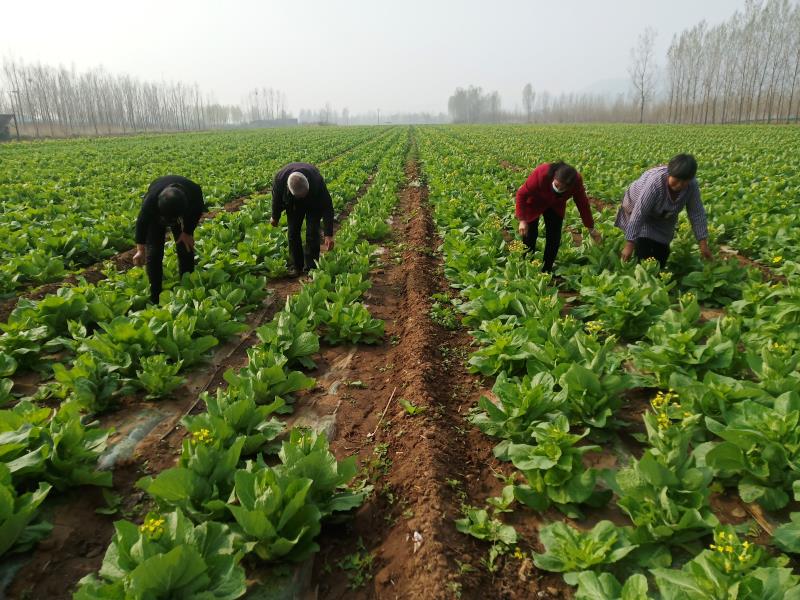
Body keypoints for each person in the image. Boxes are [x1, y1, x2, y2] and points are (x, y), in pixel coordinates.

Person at [615, 153, 712, 267]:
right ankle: (639, 276)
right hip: (637, 205)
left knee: (662, 251)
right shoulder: (655, 182)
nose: (680, 184)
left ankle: (656, 276)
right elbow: (639, 213)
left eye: (684, 181)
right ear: (669, 173)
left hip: (664, 215)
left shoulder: (691, 186)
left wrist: (703, 244)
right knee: (644, 247)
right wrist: (629, 244)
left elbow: (697, 213)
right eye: (677, 179)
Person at [515, 161, 601, 272]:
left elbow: (583, 204)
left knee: (554, 237)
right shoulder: (542, 173)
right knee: (529, 233)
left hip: (556, 204)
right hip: (535, 201)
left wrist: (591, 228)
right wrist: (522, 220)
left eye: (563, 188)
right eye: (556, 185)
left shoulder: (576, 181)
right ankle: (526, 265)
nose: (558, 189)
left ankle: (546, 270)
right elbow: (521, 194)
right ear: (553, 177)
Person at [132, 176, 206, 303]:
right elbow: (142, 222)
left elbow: (196, 213)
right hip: (158, 213)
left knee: (185, 245)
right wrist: (140, 250)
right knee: (154, 252)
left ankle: (187, 285)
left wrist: (187, 232)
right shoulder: (152, 200)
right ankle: (155, 294)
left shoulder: (194, 194)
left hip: (180, 212)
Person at [270, 162, 335, 276]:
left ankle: (311, 268)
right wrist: (275, 217)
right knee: (293, 232)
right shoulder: (280, 180)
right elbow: (276, 200)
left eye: (304, 194)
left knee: (312, 232)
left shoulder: (317, 180)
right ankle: (296, 266)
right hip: (293, 204)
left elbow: (327, 206)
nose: (303, 197)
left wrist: (328, 234)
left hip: (313, 204)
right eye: (300, 196)